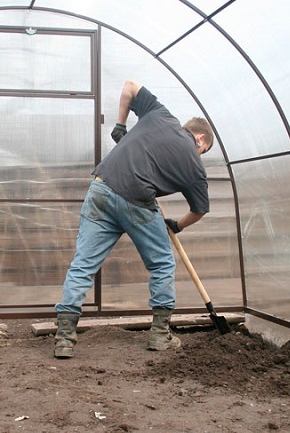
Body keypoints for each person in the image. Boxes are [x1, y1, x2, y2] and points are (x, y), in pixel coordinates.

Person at [53, 79, 214, 358]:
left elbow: (129, 86)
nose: (200, 155)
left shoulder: (160, 114)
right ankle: (160, 335)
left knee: (83, 264)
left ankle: (65, 338)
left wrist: (121, 125)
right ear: (200, 139)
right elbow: (199, 210)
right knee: (162, 263)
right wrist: (177, 225)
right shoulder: (195, 167)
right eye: (204, 150)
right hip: (137, 202)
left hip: (101, 189)